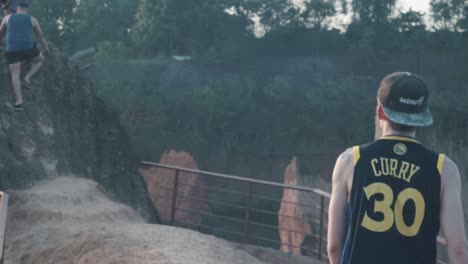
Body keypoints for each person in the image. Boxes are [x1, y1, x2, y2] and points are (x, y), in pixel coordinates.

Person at [327, 72, 468, 264]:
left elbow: (334, 246)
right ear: (421, 115)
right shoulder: (444, 169)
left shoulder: (350, 160)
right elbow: (459, 250)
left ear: (380, 112)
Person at [0, 1, 48, 111]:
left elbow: (0, 34)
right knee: (40, 59)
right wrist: (46, 49)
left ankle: (19, 102)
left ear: (17, 8)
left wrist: (2, 42)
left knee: (15, 74)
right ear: (27, 9)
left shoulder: (7, 18)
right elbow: (41, 37)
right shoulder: (32, 19)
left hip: (12, 50)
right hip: (28, 49)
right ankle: (27, 78)